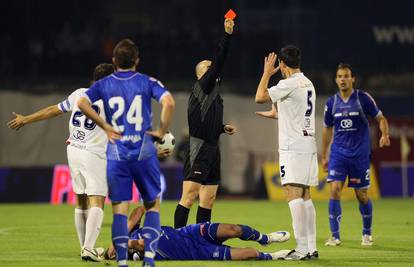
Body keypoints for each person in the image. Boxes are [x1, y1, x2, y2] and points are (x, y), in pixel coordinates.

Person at [77, 39, 175, 267]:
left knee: (120, 210)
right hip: (143, 153)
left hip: (116, 155)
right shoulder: (146, 81)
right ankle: (149, 260)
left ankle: (122, 263)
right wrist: (160, 131)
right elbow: (168, 103)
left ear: (114, 61)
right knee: (152, 205)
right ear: (137, 61)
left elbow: (82, 103)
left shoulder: (104, 84)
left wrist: (105, 126)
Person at [7, 63, 115, 261]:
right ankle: (89, 248)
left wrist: (26, 119)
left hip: (73, 150)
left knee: (81, 200)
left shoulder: (78, 94)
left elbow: (52, 110)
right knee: (97, 200)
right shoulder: (112, 100)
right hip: (93, 154)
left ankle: (85, 247)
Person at [255, 46, 318, 260]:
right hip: (308, 143)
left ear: (282, 64)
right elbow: (296, 111)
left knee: (292, 193)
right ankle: (311, 247)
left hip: (293, 147)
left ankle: (301, 250)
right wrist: (277, 114)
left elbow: (259, 96)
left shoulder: (287, 83)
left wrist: (266, 73)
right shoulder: (307, 82)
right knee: (306, 195)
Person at [174, 18, 237, 229]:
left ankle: (202, 241)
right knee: (189, 197)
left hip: (212, 147)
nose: (214, 70)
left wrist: (221, 128)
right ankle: (178, 239)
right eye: (209, 68)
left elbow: (202, 119)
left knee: (208, 200)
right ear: (201, 74)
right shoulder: (202, 87)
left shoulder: (213, 93)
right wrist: (227, 36)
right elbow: (220, 61)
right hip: (199, 148)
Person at [322, 63, 390, 246]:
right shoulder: (331, 103)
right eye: (340, 76)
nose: (343, 79)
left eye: (346, 76)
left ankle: (367, 234)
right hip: (338, 155)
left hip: (359, 155)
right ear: (336, 80)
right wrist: (324, 155)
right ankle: (335, 236)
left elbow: (380, 118)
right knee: (334, 190)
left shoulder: (363, 98)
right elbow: (327, 130)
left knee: (362, 195)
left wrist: (385, 134)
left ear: (352, 79)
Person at [105, 206, 291, 262]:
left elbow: (138, 211)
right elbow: (141, 245)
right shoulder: (141, 251)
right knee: (250, 253)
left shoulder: (130, 231)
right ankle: (273, 257)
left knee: (234, 229)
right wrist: (126, 244)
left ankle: (266, 239)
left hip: (192, 232)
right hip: (197, 252)